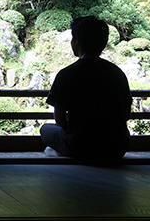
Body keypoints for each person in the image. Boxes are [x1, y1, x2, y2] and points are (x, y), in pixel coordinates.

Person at [40, 15, 132, 163]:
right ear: (103, 43)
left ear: (76, 42)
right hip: (116, 146)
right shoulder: (117, 72)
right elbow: (126, 113)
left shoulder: (67, 73)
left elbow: (59, 118)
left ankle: (67, 151)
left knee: (45, 129)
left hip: (81, 145)